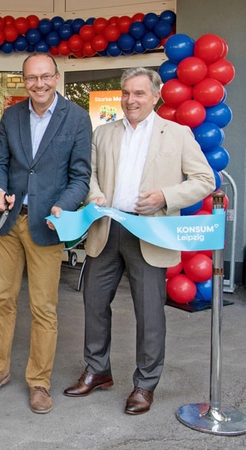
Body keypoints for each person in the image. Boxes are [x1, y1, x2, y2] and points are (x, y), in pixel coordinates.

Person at [63, 67, 215, 415]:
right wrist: (96, 194)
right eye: (127, 93)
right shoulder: (103, 133)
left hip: (150, 232)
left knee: (149, 314)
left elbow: (204, 178)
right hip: (106, 229)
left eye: (139, 94)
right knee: (94, 303)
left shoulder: (177, 134)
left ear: (155, 97)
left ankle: (145, 385)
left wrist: (165, 195)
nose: (131, 100)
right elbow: (90, 175)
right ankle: (98, 371)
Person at [0, 53, 92, 414]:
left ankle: (39, 382)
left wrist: (64, 205)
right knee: (2, 300)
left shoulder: (77, 118)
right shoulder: (12, 115)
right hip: (10, 222)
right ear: (24, 81)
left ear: (56, 78)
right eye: (30, 78)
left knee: (44, 308)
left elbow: (80, 176)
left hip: (48, 223)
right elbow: (0, 163)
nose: (38, 84)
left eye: (44, 77)